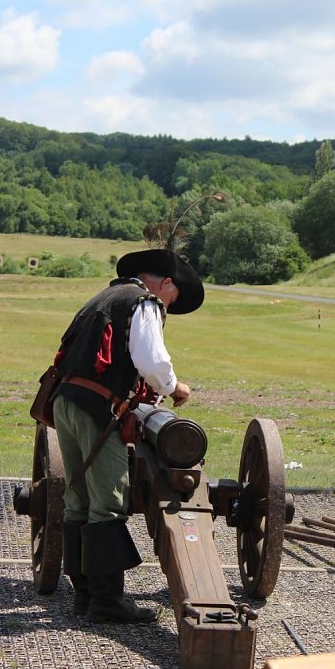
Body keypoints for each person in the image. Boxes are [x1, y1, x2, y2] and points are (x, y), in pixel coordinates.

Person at [51, 248, 204, 624]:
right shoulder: (143, 301)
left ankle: (84, 596)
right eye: (173, 298)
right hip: (96, 409)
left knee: (78, 498)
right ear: (165, 283)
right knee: (107, 500)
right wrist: (174, 387)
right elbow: (151, 361)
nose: (168, 305)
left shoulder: (100, 298)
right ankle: (106, 603)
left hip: (65, 401)